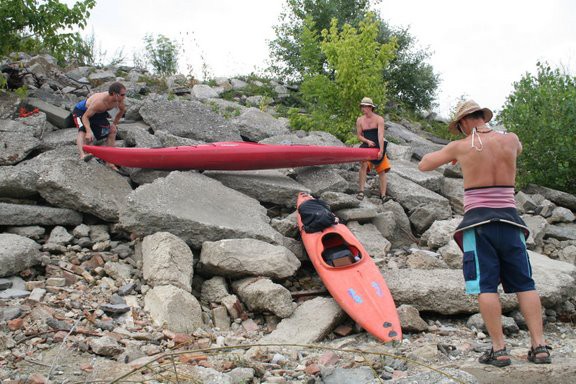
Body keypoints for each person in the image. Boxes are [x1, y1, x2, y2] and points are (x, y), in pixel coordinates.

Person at [418, 99, 551, 367]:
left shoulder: (462, 146)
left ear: (465, 121)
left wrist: (456, 152)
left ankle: (499, 350)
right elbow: (518, 149)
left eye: (460, 127)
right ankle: (540, 347)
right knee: (525, 283)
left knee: (486, 286)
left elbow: (424, 164)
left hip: (478, 225)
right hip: (511, 222)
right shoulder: (511, 139)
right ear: (483, 116)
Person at [73, 81, 127, 171]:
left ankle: (109, 161)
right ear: (114, 94)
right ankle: (83, 155)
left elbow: (121, 112)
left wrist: (114, 124)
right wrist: (89, 131)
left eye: (125, 94)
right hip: (82, 112)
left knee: (112, 131)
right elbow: (85, 117)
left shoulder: (119, 101)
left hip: (99, 113)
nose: (124, 97)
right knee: (83, 130)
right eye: (122, 94)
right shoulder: (100, 102)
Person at [356, 97, 391, 203]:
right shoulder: (360, 120)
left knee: (382, 170)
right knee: (363, 165)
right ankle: (361, 191)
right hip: (366, 145)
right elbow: (359, 136)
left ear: (370, 107)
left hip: (378, 145)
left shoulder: (379, 119)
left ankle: (383, 195)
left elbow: (380, 135)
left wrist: (380, 150)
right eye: (362, 106)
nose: (362, 108)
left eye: (365, 106)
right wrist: (367, 141)